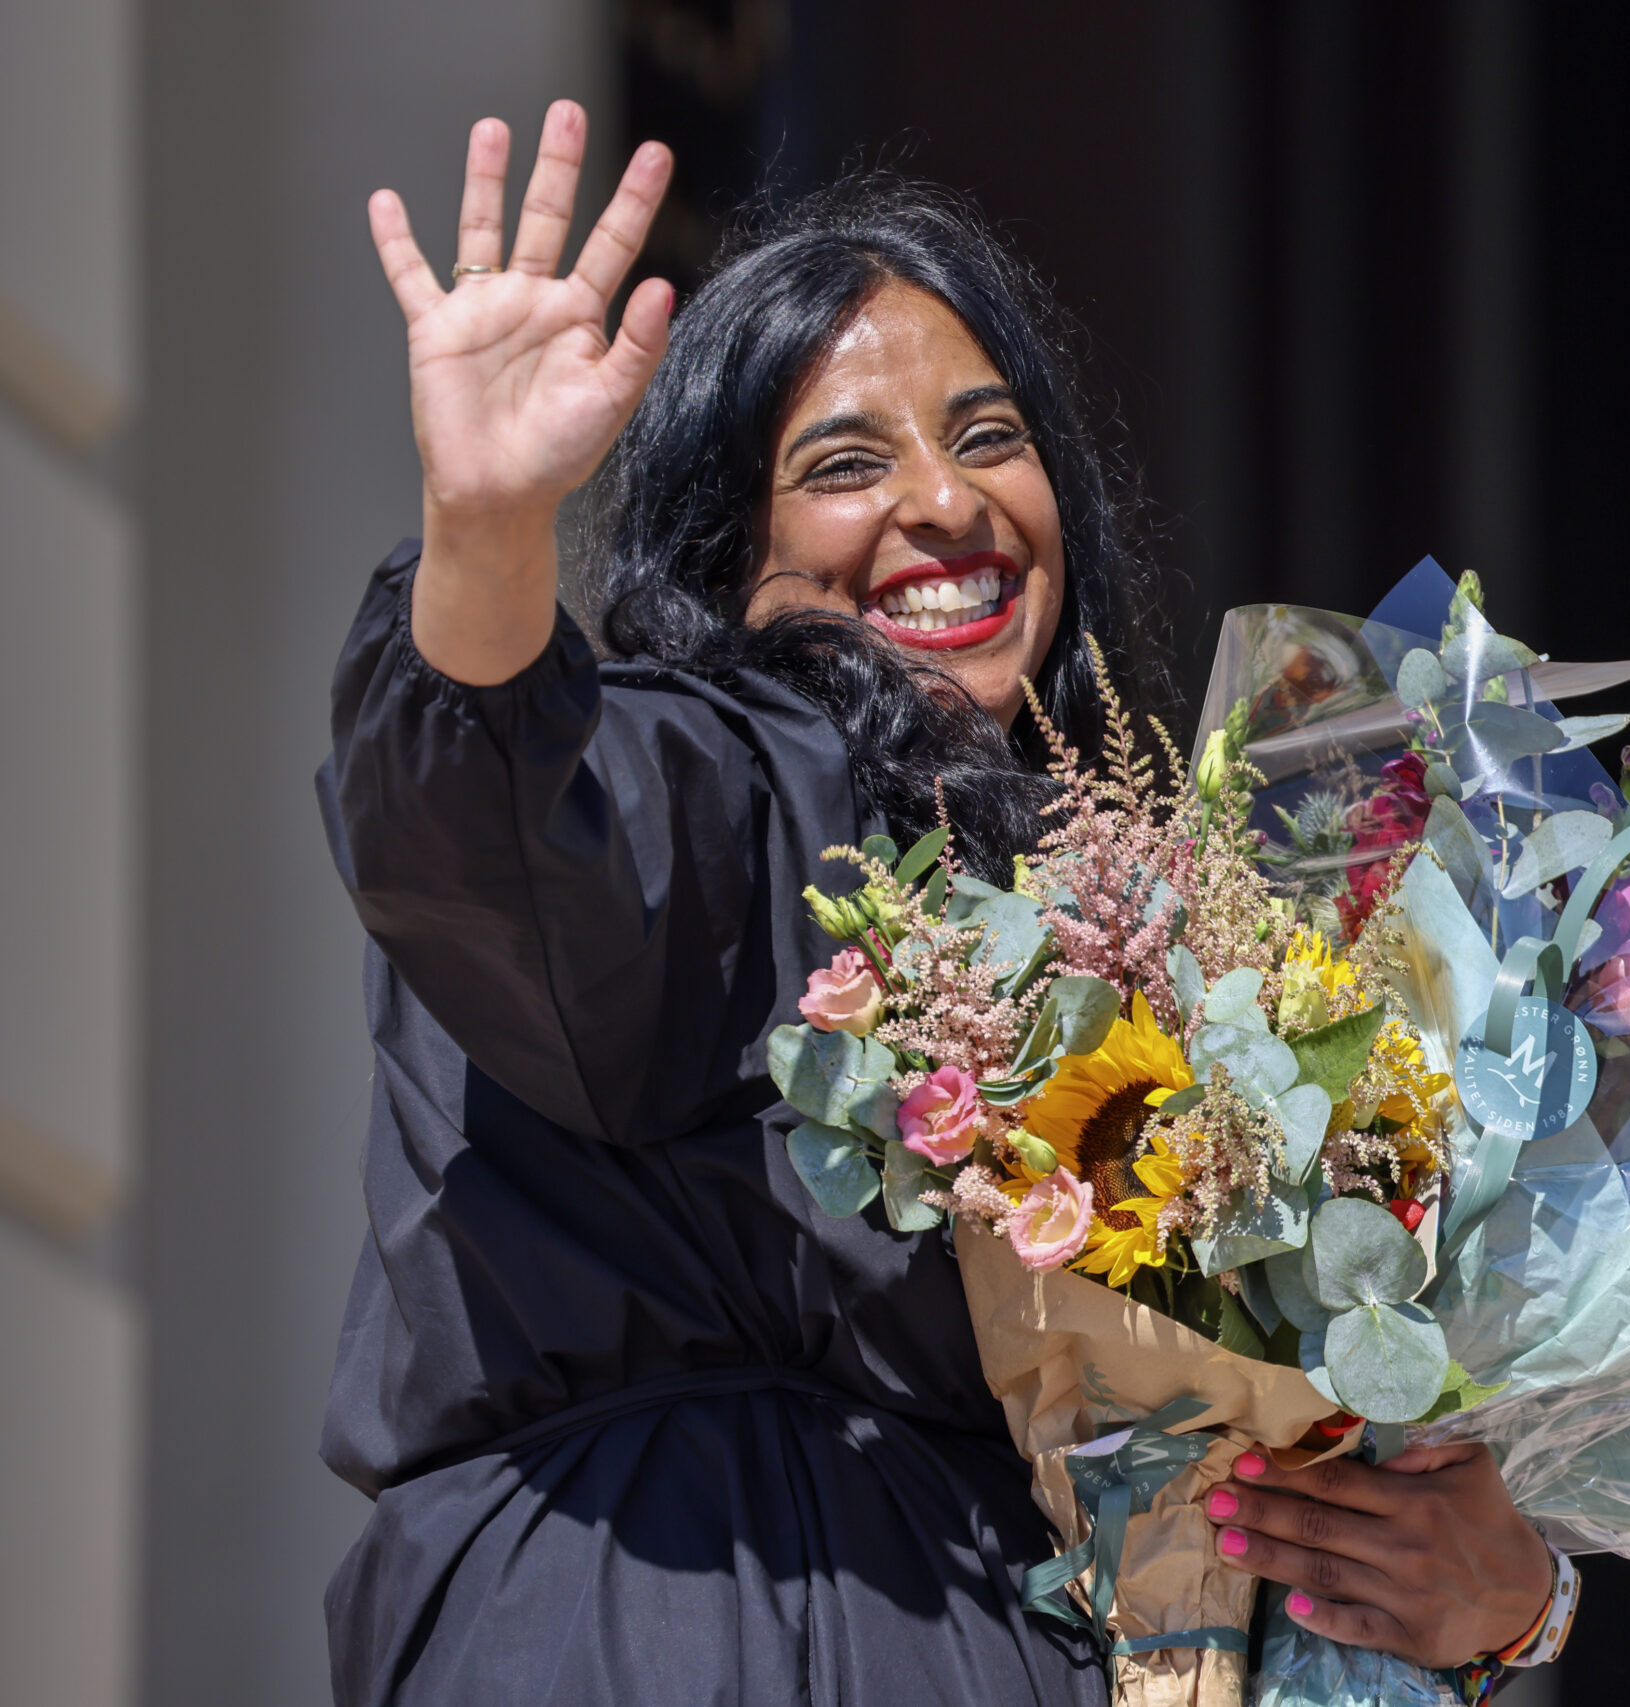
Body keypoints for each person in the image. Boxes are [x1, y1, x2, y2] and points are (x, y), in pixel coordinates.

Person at [321, 98, 1555, 1706]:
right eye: (845, 461)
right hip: (655, 1627)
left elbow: (1244, 1454)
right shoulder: (714, 770)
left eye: (989, 438)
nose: (949, 503)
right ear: (731, 545)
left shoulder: (1152, 919)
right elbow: (483, 837)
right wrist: (486, 534)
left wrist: (1512, 1594)